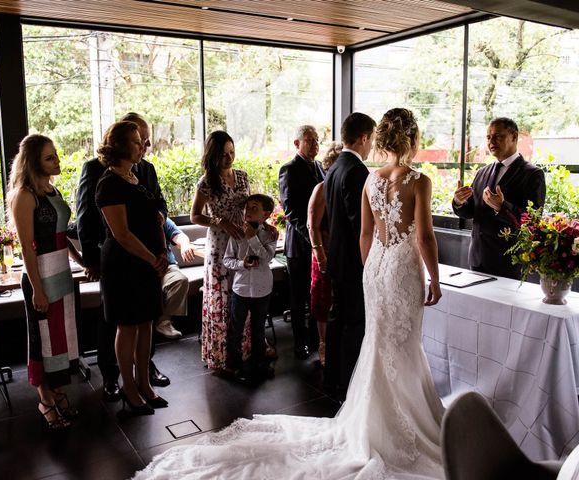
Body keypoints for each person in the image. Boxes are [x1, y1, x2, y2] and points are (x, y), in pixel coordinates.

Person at [133, 109, 444, 479]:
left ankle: (374, 419)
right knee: (402, 342)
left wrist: (370, 272)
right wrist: (434, 279)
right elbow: (424, 237)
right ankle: (404, 422)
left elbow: (365, 235)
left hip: (375, 267)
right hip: (402, 269)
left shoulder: (372, 179)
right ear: (411, 138)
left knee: (378, 343)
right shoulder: (418, 180)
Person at [76, 112, 170, 401]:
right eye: (139, 140)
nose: (145, 145)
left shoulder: (140, 174)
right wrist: (90, 259)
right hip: (124, 263)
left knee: (145, 323)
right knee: (122, 324)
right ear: (120, 144)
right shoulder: (104, 178)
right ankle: (122, 383)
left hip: (147, 262)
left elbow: (158, 213)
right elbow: (110, 228)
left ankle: (144, 382)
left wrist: (162, 250)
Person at [8, 134, 82, 429]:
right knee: (42, 341)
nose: (57, 161)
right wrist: (37, 289)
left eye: (56, 155)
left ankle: (59, 392)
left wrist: (81, 261)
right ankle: (46, 400)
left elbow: (61, 236)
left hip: (62, 274)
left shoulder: (52, 190)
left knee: (62, 339)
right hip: (40, 277)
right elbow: (28, 247)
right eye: (49, 157)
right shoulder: (24, 196)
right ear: (33, 162)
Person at [323, 112, 376, 400]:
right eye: (372, 139)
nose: (372, 146)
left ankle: (331, 379)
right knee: (354, 323)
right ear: (364, 137)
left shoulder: (334, 167)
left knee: (337, 320)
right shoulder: (357, 172)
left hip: (337, 257)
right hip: (354, 260)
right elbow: (360, 224)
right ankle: (348, 385)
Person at [452, 117, 546, 279]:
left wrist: (501, 207)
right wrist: (459, 202)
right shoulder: (482, 172)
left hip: (508, 263)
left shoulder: (532, 174)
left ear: (514, 137)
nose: (491, 141)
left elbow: (533, 220)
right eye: (488, 137)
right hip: (477, 259)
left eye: (498, 136)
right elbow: (472, 212)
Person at [190, 131, 251, 370]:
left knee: (242, 294)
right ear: (213, 155)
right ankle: (222, 353)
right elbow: (195, 215)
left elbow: (250, 207)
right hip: (219, 244)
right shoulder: (206, 181)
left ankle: (243, 348)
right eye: (224, 154)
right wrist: (219, 221)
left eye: (232, 152)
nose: (229, 158)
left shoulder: (243, 177)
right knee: (223, 296)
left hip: (241, 241)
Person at [278, 125, 324, 360]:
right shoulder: (289, 169)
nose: (315, 144)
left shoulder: (319, 166)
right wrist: (311, 236)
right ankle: (300, 343)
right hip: (299, 244)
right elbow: (291, 211)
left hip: (319, 243)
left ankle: (317, 340)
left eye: (317, 140)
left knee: (316, 294)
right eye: (310, 140)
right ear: (297, 143)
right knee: (298, 297)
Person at [223, 194, 277, 382]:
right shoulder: (236, 234)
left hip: (263, 288)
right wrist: (241, 264)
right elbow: (227, 260)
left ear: (266, 214)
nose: (248, 211)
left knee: (258, 329)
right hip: (241, 288)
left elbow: (268, 258)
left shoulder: (271, 234)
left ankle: (259, 365)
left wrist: (253, 239)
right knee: (235, 329)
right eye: (247, 207)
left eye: (254, 208)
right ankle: (232, 366)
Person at [306, 141, 343, 367]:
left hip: (343, 253)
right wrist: (321, 255)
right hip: (324, 252)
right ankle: (323, 344)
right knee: (322, 300)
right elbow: (312, 226)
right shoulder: (321, 188)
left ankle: (339, 343)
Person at [156, 218, 194, 340]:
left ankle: (164, 322)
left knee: (180, 280)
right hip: (143, 268)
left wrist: (185, 245)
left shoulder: (161, 218)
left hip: (167, 266)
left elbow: (179, 235)